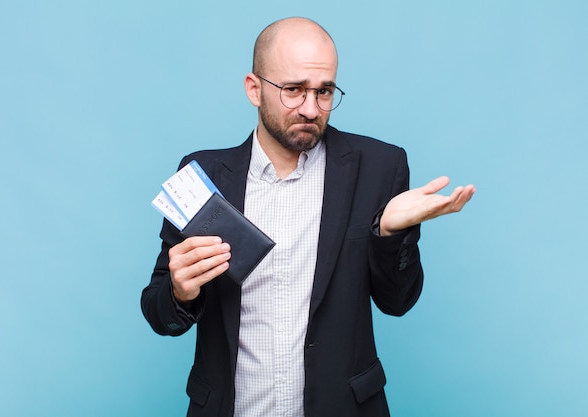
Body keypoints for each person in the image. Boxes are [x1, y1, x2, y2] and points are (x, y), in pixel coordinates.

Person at [141, 17, 475, 417]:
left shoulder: (379, 168)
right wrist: (180, 290)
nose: (311, 109)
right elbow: (161, 316)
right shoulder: (202, 176)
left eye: (325, 91)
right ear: (254, 88)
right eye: (294, 90)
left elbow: (398, 302)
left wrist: (388, 233)